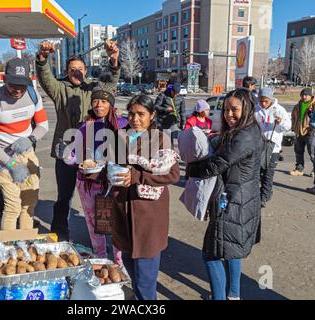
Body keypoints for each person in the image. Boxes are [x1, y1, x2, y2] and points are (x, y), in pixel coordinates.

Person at [36, 40, 120, 241]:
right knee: (64, 197)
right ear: (66, 71)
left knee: (99, 195)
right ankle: (59, 235)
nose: (76, 72)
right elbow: (45, 77)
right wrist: (42, 58)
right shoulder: (59, 89)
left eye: (80, 69)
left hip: (92, 153)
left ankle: (100, 237)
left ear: (86, 70)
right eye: (72, 69)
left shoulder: (93, 87)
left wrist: (114, 60)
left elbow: (110, 83)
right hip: (66, 152)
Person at [186, 88, 263, 300]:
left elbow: (217, 164)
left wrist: (190, 170)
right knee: (231, 250)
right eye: (226, 109)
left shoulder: (244, 136)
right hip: (243, 199)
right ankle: (233, 295)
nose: (229, 114)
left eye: (234, 109)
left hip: (232, 202)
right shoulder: (249, 129)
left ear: (247, 108)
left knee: (210, 254)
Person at [109, 95, 180, 300]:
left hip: (148, 215)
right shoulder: (118, 136)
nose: (135, 119)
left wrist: (138, 176)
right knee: (130, 264)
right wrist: (90, 169)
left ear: (152, 115)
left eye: (141, 114)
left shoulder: (160, 139)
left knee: (146, 277)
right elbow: (107, 165)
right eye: (131, 114)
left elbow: (173, 174)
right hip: (122, 209)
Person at [0, 58, 49, 231]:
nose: (18, 90)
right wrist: (11, 164)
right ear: (4, 79)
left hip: (27, 153)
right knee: (12, 207)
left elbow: (43, 125)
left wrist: (30, 140)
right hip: (3, 157)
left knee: (29, 205)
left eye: (22, 85)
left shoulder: (33, 95)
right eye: (13, 84)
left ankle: (25, 249)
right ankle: (9, 249)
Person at [65, 82, 127, 265]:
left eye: (104, 101)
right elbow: (72, 156)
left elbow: (132, 153)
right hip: (88, 183)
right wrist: (72, 159)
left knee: (117, 225)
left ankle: (119, 263)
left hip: (115, 183)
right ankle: (100, 259)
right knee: (94, 225)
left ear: (111, 104)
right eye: (95, 101)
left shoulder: (123, 124)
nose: (99, 105)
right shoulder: (84, 126)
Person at [255, 87, 291, 208]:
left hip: (273, 147)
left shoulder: (279, 110)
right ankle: (263, 192)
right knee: (257, 172)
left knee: (268, 173)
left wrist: (280, 122)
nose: (263, 104)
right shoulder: (255, 109)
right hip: (258, 146)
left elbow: (288, 126)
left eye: (266, 101)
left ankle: (263, 196)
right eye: (261, 101)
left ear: (271, 99)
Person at [290, 88, 315, 177]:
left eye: (306, 95)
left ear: (311, 96)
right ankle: (299, 168)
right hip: (299, 131)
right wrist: (294, 128)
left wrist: (312, 113)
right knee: (298, 151)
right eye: (302, 95)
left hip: (311, 132)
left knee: (312, 153)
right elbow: (294, 117)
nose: (304, 97)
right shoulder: (298, 105)